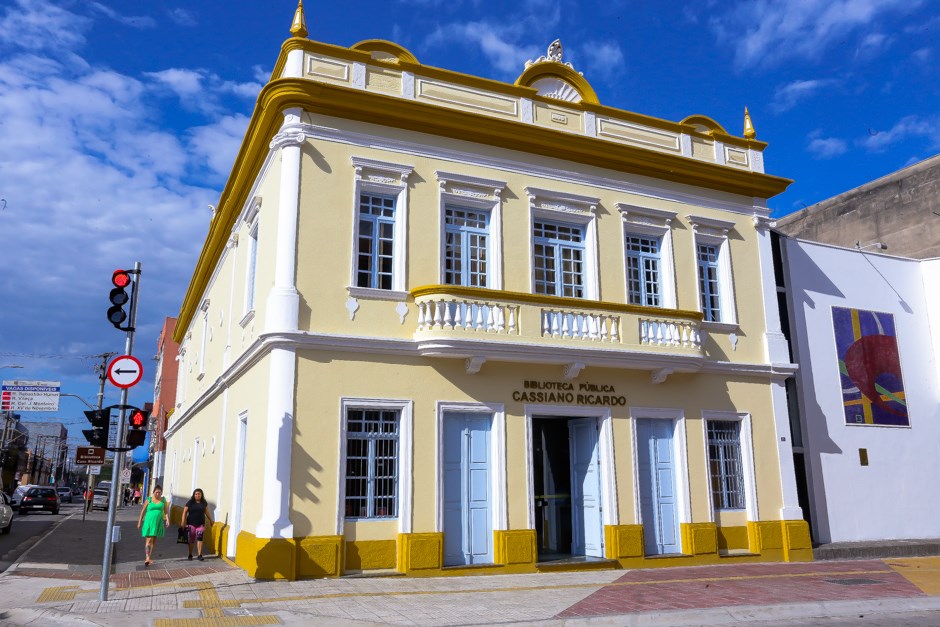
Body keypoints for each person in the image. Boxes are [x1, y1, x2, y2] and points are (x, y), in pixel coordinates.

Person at [137, 485, 169, 567]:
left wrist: (167, 520)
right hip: (149, 522)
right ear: (153, 492)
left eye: (159, 492)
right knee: (149, 540)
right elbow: (143, 511)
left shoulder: (163, 500)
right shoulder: (149, 500)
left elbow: (165, 511)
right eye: (156, 492)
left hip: (158, 522)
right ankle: (147, 557)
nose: (158, 494)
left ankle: (149, 557)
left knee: (154, 541)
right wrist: (139, 522)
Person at [181, 488, 212, 561]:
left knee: (200, 538)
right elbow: (184, 512)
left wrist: (211, 520)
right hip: (191, 524)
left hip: (200, 524)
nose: (197, 495)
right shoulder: (190, 502)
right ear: (194, 495)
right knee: (192, 539)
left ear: (201, 495)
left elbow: (207, 512)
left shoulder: (204, 503)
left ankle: (199, 555)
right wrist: (183, 522)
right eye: (196, 494)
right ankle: (190, 554)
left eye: (199, 494)